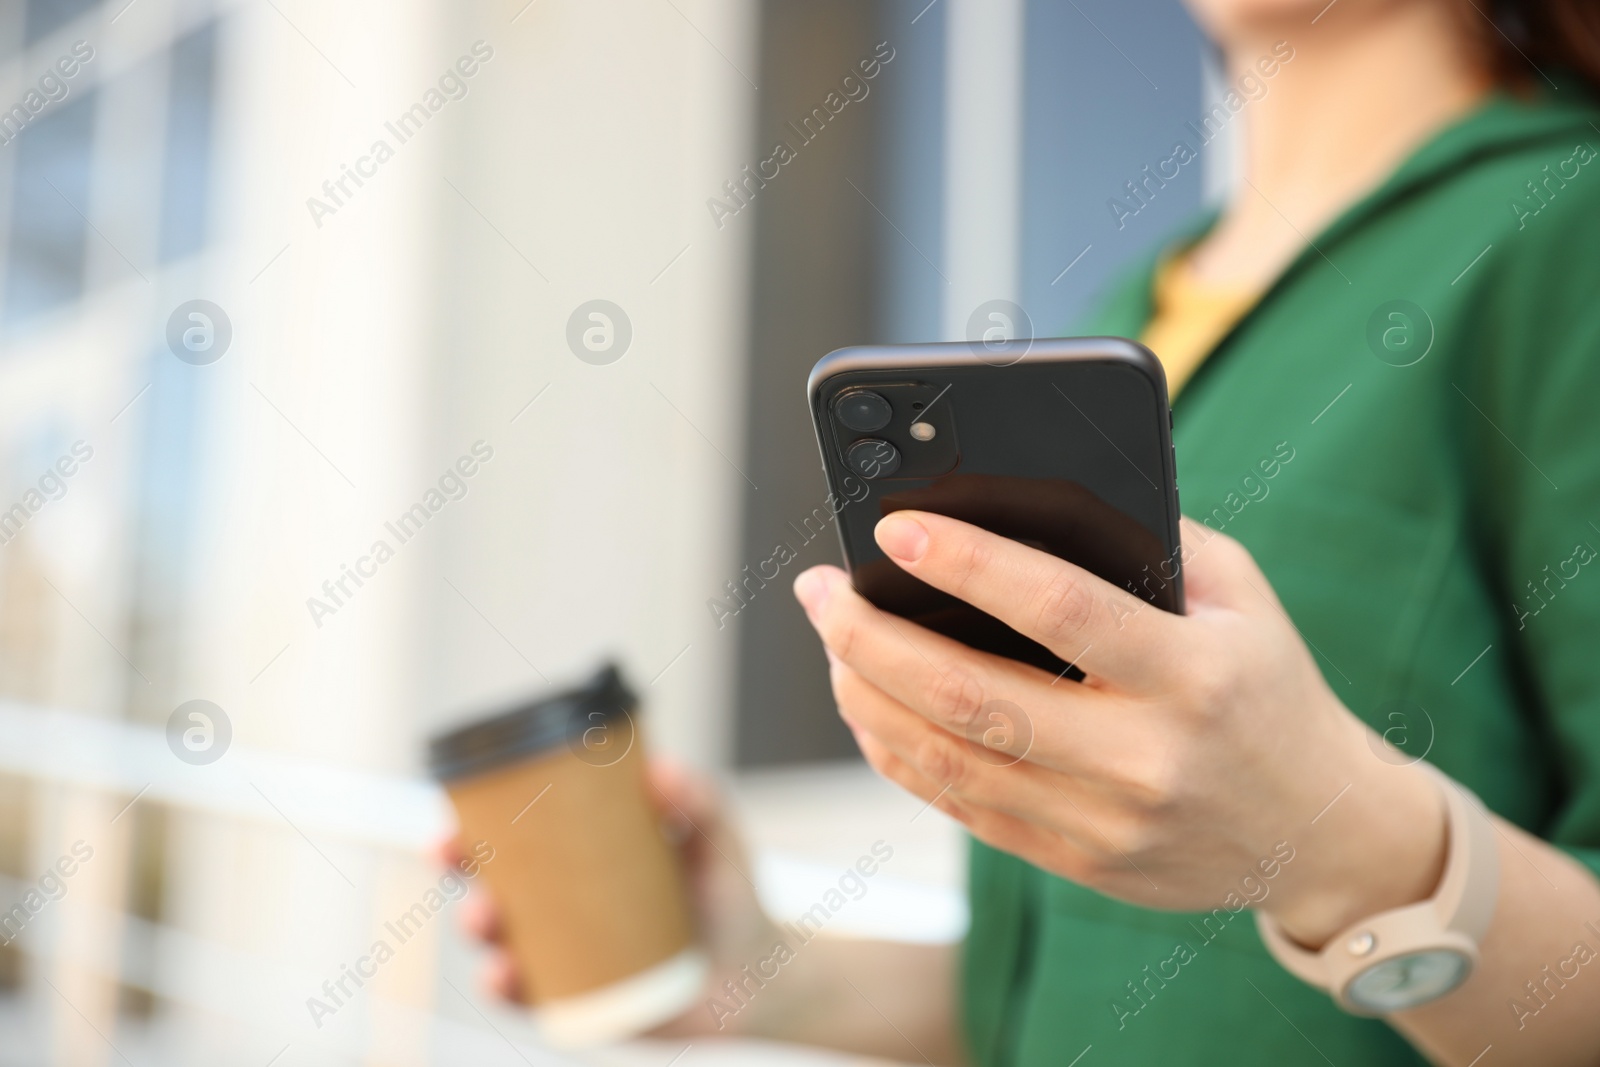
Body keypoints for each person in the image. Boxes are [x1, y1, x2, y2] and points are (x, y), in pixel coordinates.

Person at [457, 0, 1600, 1062]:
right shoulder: (1133, 312)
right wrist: (758, 972)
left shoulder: (1569, 226)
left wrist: (1333, 842)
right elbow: (1088, 978)